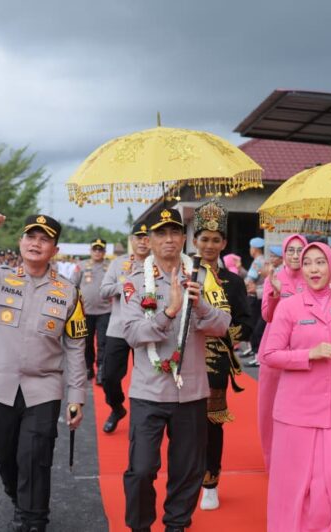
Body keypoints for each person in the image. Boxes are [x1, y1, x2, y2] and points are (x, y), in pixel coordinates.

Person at [0, 212, 87, 532]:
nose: (36, 244)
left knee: (35, 455)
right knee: (3, 452)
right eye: (31, 237)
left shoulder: (68, 291)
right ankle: (18, 500)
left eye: (44, 239)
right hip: (0, 386)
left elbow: (76, 347)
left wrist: (77, 396)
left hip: (44, 388)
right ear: (20, 242)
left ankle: (34, 519)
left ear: (55, 249)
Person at [120, 207, 230, 532]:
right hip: (148, 391)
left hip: (191, 391)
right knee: (141, 469)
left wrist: (201, 305)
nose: (168, 239)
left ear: (184, 238)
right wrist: (169, 311)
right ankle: (140, 526)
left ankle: (176, 525)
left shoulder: (203, 276)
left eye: (174, 232)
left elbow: (223, 325)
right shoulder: (135, 282)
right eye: (160, 233)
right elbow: (132, 333)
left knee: (187, 470)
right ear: (149, 241)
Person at [263, 241, 331, 532]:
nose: (314, 268)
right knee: (293, 485)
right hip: (295, 412)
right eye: (309, 262)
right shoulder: (288, 307)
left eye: (320, 262)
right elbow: (269, 355)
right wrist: (307, 355)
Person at [190, 199, 253, 511]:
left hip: (215, 361)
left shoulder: (234, 281)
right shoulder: (182, 274)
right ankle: (185, 479)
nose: (209, 245)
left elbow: (246, 323)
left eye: (216, 240)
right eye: (204, 239)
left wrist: (223, 334)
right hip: (183, 359)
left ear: (224, 243)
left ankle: (210, 480)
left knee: (211, 424)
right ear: (194, 241)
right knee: (184, 424)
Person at [256, 234, 307, 468]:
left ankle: (298, 458)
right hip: (275, 354)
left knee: (300, 410)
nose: (295, 255)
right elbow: (267, 316)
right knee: (269, 410)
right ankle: (272, 459)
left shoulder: (314, 278)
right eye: (291, 250)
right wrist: (276, 294)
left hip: (305, 353)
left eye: (300, 250)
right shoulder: (274, 278)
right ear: (284, 254)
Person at [99, 223, 150, 434]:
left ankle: (144, 419)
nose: (143, 241)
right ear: (132, 240)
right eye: (139, 237)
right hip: (119, 328)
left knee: (147, 377)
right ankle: (117, 408)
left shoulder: (158, 264)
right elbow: (104, 290)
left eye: (147, 237)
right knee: (109, 376)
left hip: (147, 329)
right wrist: (126, 286)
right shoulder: (119, 264)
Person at [75, 238, 111, 384]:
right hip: (85, 311)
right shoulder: (82, 265)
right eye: (95, 249)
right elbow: (73, 285)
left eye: (100, 249)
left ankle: (101, 368)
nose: (97, 252)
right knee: (87, 342)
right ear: (90, 251)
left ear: (104, 251)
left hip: (105, 311)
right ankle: (88, 367)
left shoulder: (110, 267)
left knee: (103, 342)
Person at [243, 237, 265, 359]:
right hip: (257, 295)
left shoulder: (257, 262)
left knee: (253, 325)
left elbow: (250, 279)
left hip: (254, 296)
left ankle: (257, 354)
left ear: (255, 249)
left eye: (251, 247)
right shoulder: (261, 260)